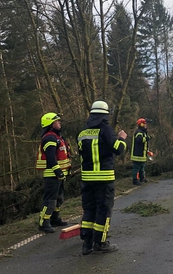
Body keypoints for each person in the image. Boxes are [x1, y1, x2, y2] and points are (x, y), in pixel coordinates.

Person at [77, 100, 127, 255]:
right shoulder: (105, 130)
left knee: (89, 209)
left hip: (87, 179)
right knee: (103, 210)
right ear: (105, 115)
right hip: (104, 178)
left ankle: (87, 243)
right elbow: (118, 149)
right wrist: (122, 139)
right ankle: (100, 242)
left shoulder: (83, 133)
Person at [36, 112, 71, 233]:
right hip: (52, 175)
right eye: (57, 121)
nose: (59, 123)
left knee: (58, 198)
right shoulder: (49, 138)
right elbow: (51, 158)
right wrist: (58, 171)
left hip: (59, 174)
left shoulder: (57, 137)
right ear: (51, 124)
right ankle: (43, 222)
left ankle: (55, 219)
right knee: (50, 200)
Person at [131, 118, 151, 186]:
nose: (146, 125)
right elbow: (139, 140)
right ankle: (135, 180)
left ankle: (142, 178)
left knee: (142, 167)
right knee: (136, 168)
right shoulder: (139, 132)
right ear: (141, 124)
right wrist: (148, 138)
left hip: (142, 154)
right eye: (145, 124)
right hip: (138, 155)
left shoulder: (143, 132)